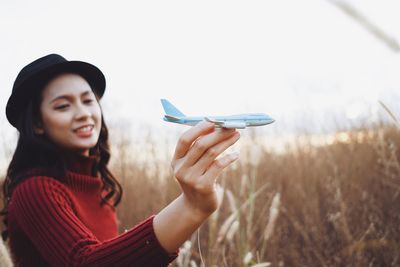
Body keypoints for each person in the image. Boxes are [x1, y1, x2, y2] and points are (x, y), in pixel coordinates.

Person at [1, 54, 240, 266]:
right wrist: (191, 207)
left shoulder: (99, 186)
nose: (84, 112)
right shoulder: (34, 190)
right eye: (63, 106)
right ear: (37, 124)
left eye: (88, 100)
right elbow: (86, 262)